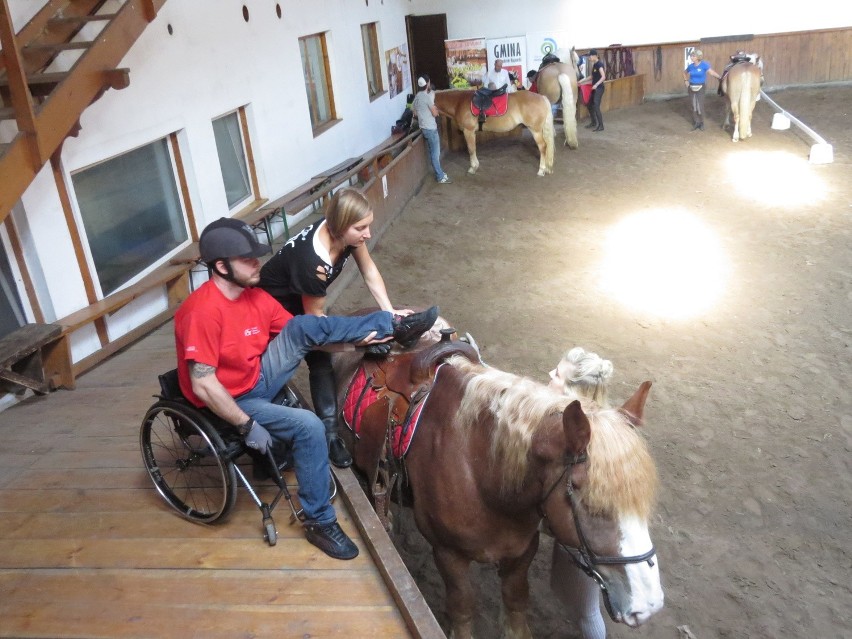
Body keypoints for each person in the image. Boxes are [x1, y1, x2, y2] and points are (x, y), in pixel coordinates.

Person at [174, 217, 438, 560]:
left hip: (256, 377)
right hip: (230, 400)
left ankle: (392, 323)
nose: (258, 263)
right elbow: (203, 383)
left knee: (302, 325)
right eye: (247, 259)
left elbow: (313, 336)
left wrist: (358, 345)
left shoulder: (255, 297)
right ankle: (319, 521)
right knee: (309, 426)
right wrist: (246, 425)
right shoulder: (202, 312)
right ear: (221, 267)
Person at [258, 188, 413, 469]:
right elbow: (315, 327)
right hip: (271, 311)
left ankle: (329, 433)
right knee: (318, 358)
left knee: (324, 354)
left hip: (301, 297)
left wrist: (389, 309)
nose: (367, 233)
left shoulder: (345, 233)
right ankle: (320, 438)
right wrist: (353, 345)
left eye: (369, 225)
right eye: (361, 228)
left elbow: (368, 270)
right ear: (340, 228)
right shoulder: (313, 263)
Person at [545, 346, 614, 639]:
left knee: (587, 612)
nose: (550, 374)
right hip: (586, 530)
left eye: (558, 375)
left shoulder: (577, 439)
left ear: (572, 392)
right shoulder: (602, 419)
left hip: (584, 536)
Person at [412, 74, 451, 184]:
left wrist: (423, 114)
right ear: (428, 83)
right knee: (435, 154)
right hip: (431, 129)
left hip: (423, 128)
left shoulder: (418, 96)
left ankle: (440, 174)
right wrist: (435, 110)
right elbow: (434, 114)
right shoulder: (428, 97)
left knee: (432, 153)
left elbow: (414, 112)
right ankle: (440, 176)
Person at [683, 49, 722, 131]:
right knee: (694, 105)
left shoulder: (704, 65)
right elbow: (684, 73)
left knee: (699, 105)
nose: (691, 57)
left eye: (693, 56)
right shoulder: (690, 66)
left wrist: (719, 77)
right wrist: (686, 81)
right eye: (691, 56)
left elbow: (711, 72)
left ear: (698, 57)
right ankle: (696, 122)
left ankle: (701, 122)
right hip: (691, 87)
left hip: (701, 87)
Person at [579, 49, 606, 131]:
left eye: (590, 56)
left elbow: (603, 77)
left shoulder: (599, 64)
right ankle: (594, 122)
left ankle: (601, 126)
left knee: (596, 106)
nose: (589, 58)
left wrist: (596, 84)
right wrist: (581, 81)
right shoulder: (594, 65)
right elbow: (591, 76)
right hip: (594, 88)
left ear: (595, 56)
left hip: (599, 88)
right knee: (589, 104)